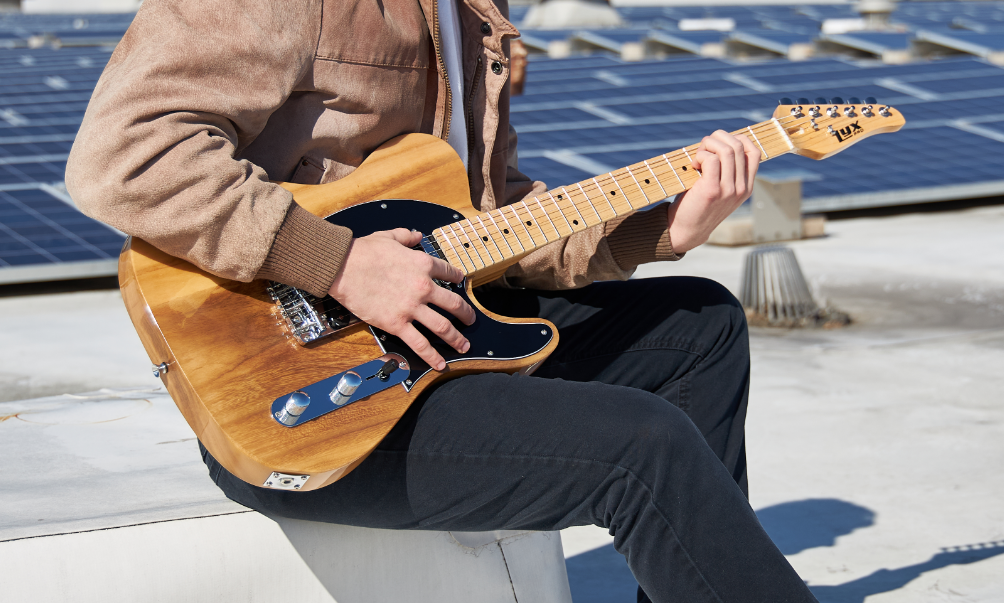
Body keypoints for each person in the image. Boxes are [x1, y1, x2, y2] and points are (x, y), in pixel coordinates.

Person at [66, 0, 818, 600]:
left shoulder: (469, 14)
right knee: (642, 443)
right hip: (307, 389)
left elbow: (489, 225)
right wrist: (338, 265)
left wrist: (660, 228)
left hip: (436, 335)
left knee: (700, 327)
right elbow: (123, 155)